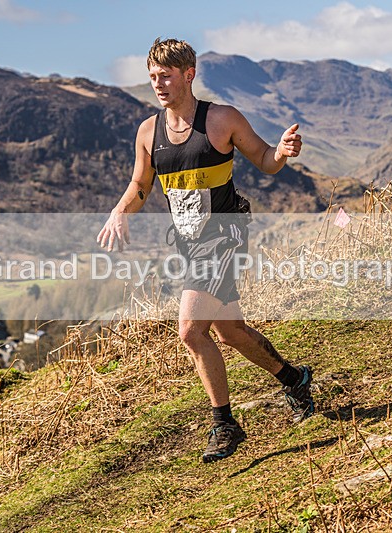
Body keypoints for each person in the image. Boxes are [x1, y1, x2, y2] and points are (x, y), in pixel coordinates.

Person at [97, 37, 314, 463]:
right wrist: (119, 210)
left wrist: (283, 152)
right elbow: (141, 188)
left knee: (190, 331)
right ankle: (295, 379)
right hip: (190, 244)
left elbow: (265, 160)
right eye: (153, 77)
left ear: (189, 75)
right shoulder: (148, 132)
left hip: (226, 235)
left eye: (166, 76)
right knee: (228, 332)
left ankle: (224, 423)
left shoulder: (221, 119)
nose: (158, 84)